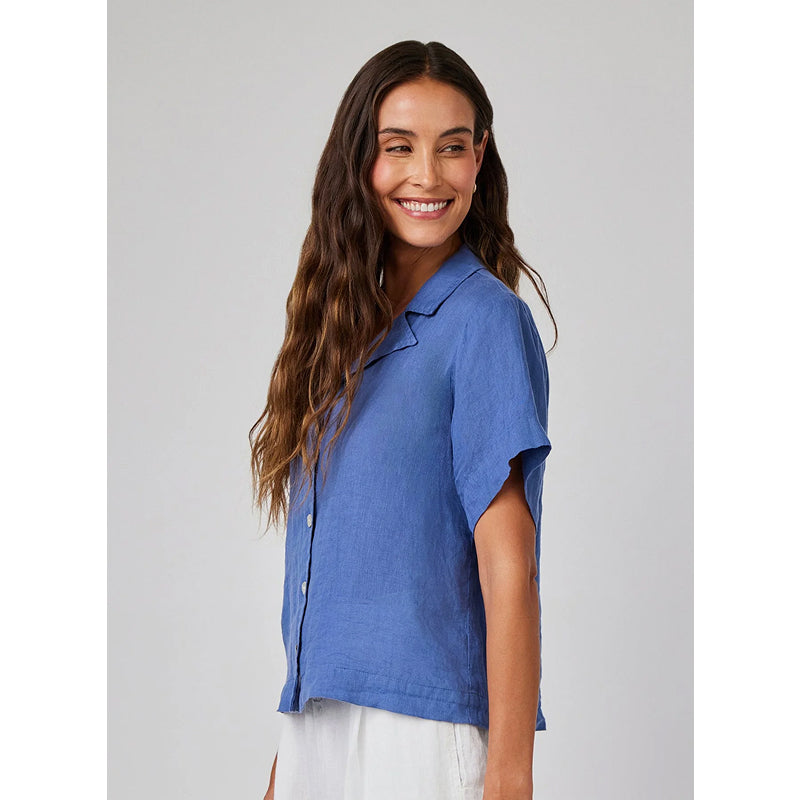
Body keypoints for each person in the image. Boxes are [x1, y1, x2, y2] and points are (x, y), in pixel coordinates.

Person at [250, 39, 557, 800]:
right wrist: (288, 770)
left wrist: (509, 776)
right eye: (399, 147)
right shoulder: (340, 334)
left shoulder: (485, 322)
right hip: (318, 727)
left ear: (479, 158)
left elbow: (509, 565)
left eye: (452, 147)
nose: (428, 174)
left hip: (420, 738)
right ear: (360, 160)